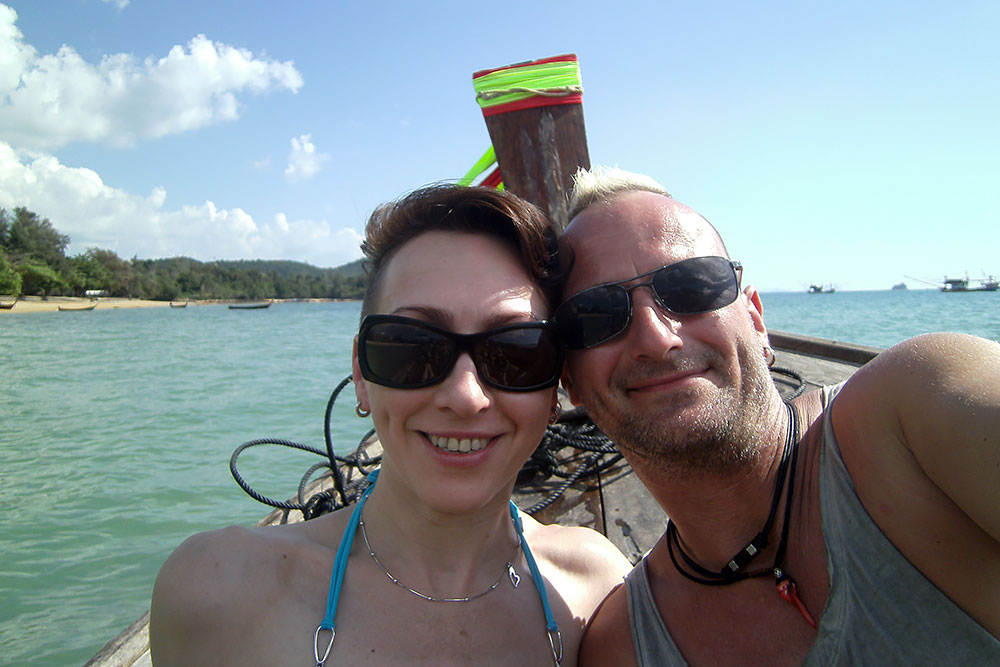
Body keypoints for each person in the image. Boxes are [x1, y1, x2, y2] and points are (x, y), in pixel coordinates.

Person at [149, 183, 631, 666]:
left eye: (516, 352)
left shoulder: (599, 594)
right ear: (361, 374)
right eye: (413, 346)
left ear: (556, 387)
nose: (465, 397)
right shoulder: (219, 593)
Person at [552, 167, 1000, 665]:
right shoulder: (622, 648)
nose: (657, 339)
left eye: (691, 285)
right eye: (595, 314)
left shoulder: (916, 407)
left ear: (756, 319)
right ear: (570, 382)